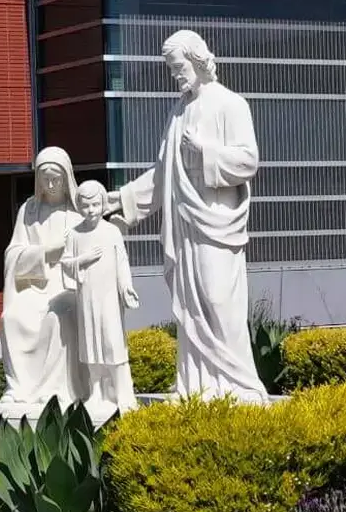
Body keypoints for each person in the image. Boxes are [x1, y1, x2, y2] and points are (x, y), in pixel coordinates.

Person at [107, 29, 268, 403]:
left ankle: (238, 384)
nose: (176, 75)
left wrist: (205, 152)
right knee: (191, 309)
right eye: (171, 69)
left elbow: (248, 161)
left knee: (216, 299)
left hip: (216, 222)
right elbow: (164, 173)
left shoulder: (231, 104)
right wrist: (122, 200)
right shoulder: (178, 112)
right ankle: (197, 385)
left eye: (178, 67)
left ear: (197, 60)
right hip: (184, 225)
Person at [0, 145, 83, 417]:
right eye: (45, 178)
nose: (51, 184)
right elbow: (13, 254)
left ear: (67, 178)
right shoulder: (29, 211)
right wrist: (45, 252)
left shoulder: (78, 212)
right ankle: (19, 389)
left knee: (58, 317)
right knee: (11, 318)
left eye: (56, 178)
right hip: (34, 284)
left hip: (65, 284)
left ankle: (56, 390)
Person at [61, 179, 140, 423]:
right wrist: (82, 260)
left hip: (109, 300)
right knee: (90, 344)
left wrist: (126, 287)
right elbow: (65, 263)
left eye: (96, 204)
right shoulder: (75, 234)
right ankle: (95, 391)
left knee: (112, 342)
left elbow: (122, 262)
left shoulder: (111, 231)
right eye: (86, 206)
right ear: (79, 206)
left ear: (103, 203)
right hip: (87, 299)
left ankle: (120, 394)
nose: (91, 210)